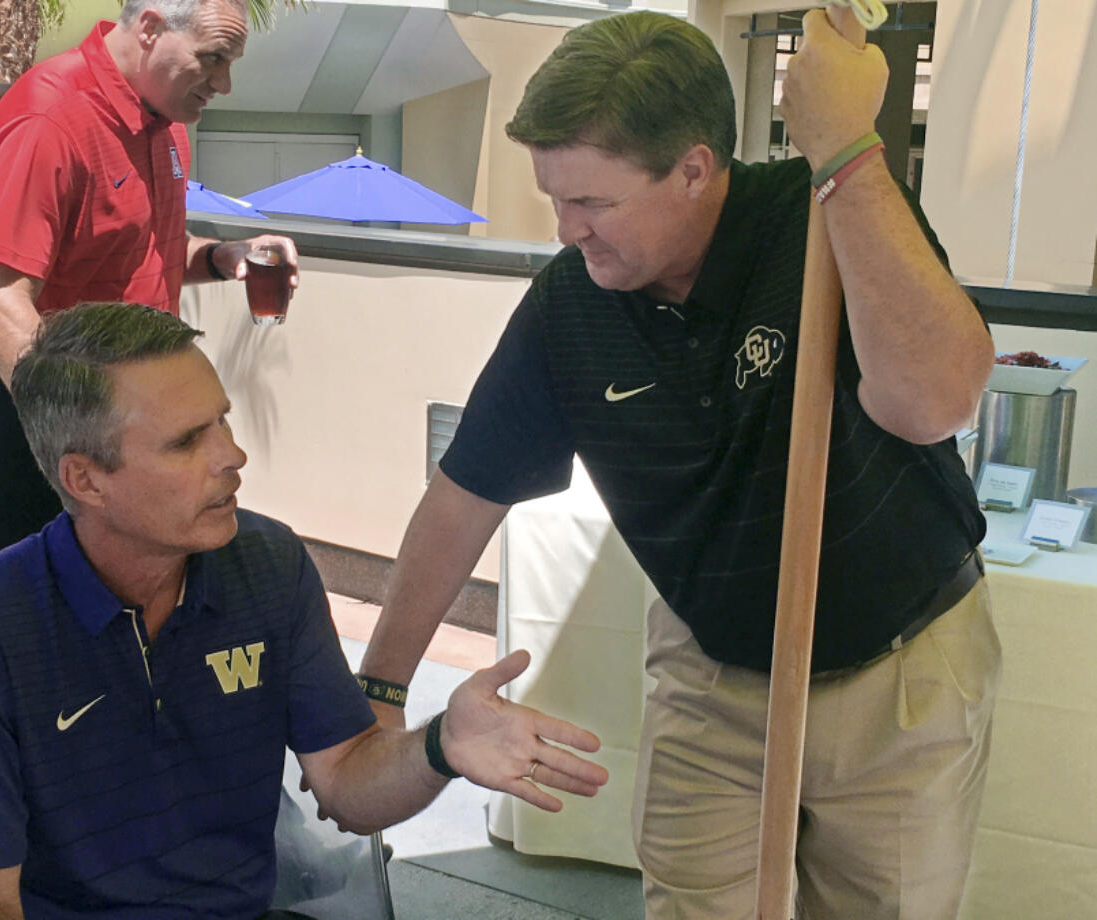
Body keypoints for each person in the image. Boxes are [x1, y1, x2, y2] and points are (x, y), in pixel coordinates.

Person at [357, 11, 999, 920]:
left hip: (899, 671)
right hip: (714, 673)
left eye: (594, 202)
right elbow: (465, 498)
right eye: (556, 198)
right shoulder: (570, 306)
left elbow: (935, 403)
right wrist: (380, 692)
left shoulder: (816, 225)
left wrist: (847, 150)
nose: (567, 229)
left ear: (694, 169)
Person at [0, 302, 609, 920]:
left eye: (222, 421)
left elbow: (346, 782)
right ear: (84, 479)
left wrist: (437, 748)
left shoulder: (267, 564)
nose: (233, 455)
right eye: (187, 441)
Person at [0, 0, 298, 587]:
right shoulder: (50, 117)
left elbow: (141, 246)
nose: (224, 83)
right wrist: (83, 426)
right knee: (2, 621)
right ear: (151, 27)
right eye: (213, 59)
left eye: (230, 63)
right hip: (37, 411)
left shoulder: (166, 123)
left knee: (111, 619)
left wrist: (220, 257)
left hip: (131, 419)